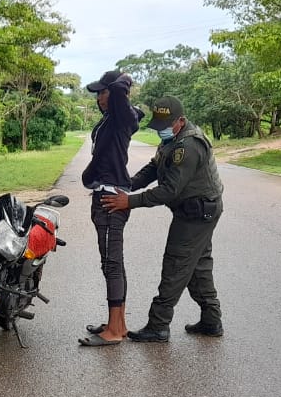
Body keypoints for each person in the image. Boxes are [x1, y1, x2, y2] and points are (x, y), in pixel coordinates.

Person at [101, 95, 224, 342]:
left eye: (166, 125)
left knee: (176, 265)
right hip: (195, 210)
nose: (161, 131)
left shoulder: (188, 147)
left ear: (180, 121)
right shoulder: (172, 141)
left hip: (197, 213)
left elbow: (169, 190)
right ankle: (211, 321)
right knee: (198, 267)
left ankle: (158, 325)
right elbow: (153, 169)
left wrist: (129, 202)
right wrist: (127, 185)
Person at [78, 69, 140, 347]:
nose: (100, 97)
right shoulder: (109, 122)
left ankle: (114, 331)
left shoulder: (122, 119)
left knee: (112, 264)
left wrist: (122, 80)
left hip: (110, 199)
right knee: (111, 263)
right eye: (99, 93)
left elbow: (118, 95)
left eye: (104, 92)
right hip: (102, 194)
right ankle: (119, 323)